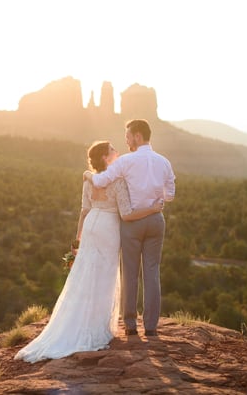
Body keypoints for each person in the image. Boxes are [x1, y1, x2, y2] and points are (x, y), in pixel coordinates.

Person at [15, 140, 164, 363]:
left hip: (92, 226)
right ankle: (95, 328)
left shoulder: (88, 181)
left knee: (85, 276)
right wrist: (152, 209)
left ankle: (77, 322)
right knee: (104, 276)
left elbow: (84, 211)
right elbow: (126, 214)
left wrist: (77, 239)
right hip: (108, 230)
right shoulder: (118, 181)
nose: (116, 152)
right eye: (112, 150)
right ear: (106, 157)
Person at [84, 119, 175, 337]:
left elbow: (100, 181)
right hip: (155, 220)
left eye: (127, 137)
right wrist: (155, 203)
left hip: (132, 222)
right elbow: (170, 195)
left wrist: (87, 175)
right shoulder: (164, 162)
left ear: (137, 136)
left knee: (130, 273)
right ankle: (151, 326)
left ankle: (131, 325)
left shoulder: (125, 161)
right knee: (152, 271)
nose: (126, 141)